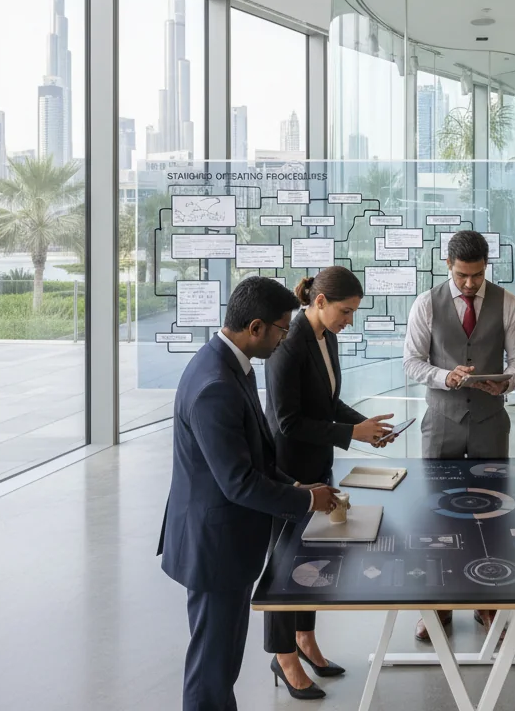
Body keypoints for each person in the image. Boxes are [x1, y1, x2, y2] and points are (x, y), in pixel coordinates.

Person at [159, 276, 340, 711]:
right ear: (255, 327)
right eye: (281, 329)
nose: (285, 338)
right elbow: (238, 481)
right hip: (214, 547)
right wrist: (307, 501)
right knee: (212, 668)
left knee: (222, 665)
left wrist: (294, 485)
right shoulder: (216, 385)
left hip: (226, 543)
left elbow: (254, 453)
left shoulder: (230, 365)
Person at [264, 266, 395, 698]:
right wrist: (351, 433)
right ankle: (283, 655)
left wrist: (366, 427)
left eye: (354, 312)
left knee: (311, 558)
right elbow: (288, 421)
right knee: (284, 564)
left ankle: (305, 639)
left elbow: (328, 403)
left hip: (317, 462)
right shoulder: (288, 344)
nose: (349, 321)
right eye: (346, 311)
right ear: (319, 301)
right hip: (289, 470)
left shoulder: (326, 337)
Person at [403, 229, 515, 642]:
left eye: (477, 274)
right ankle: (438, 608)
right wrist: (445, 376)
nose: (471, 283)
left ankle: (487, 603)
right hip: (441, 421)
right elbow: (411, 362)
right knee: (437, 515)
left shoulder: (507, 302)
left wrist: (508, 380)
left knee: (491, 516)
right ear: (448, 265)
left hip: (491, 422)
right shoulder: (426, 303)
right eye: (462, 275)